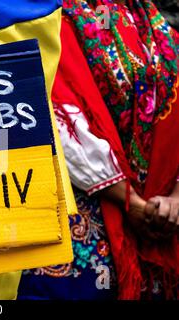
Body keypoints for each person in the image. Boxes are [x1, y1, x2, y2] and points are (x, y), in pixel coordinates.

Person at [18, 0, 178, 300]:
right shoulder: (38, 14)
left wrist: (174, 198)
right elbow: (49, 107)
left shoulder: (154, 24)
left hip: (156, 224)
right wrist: (129, 199)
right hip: (80, 222)